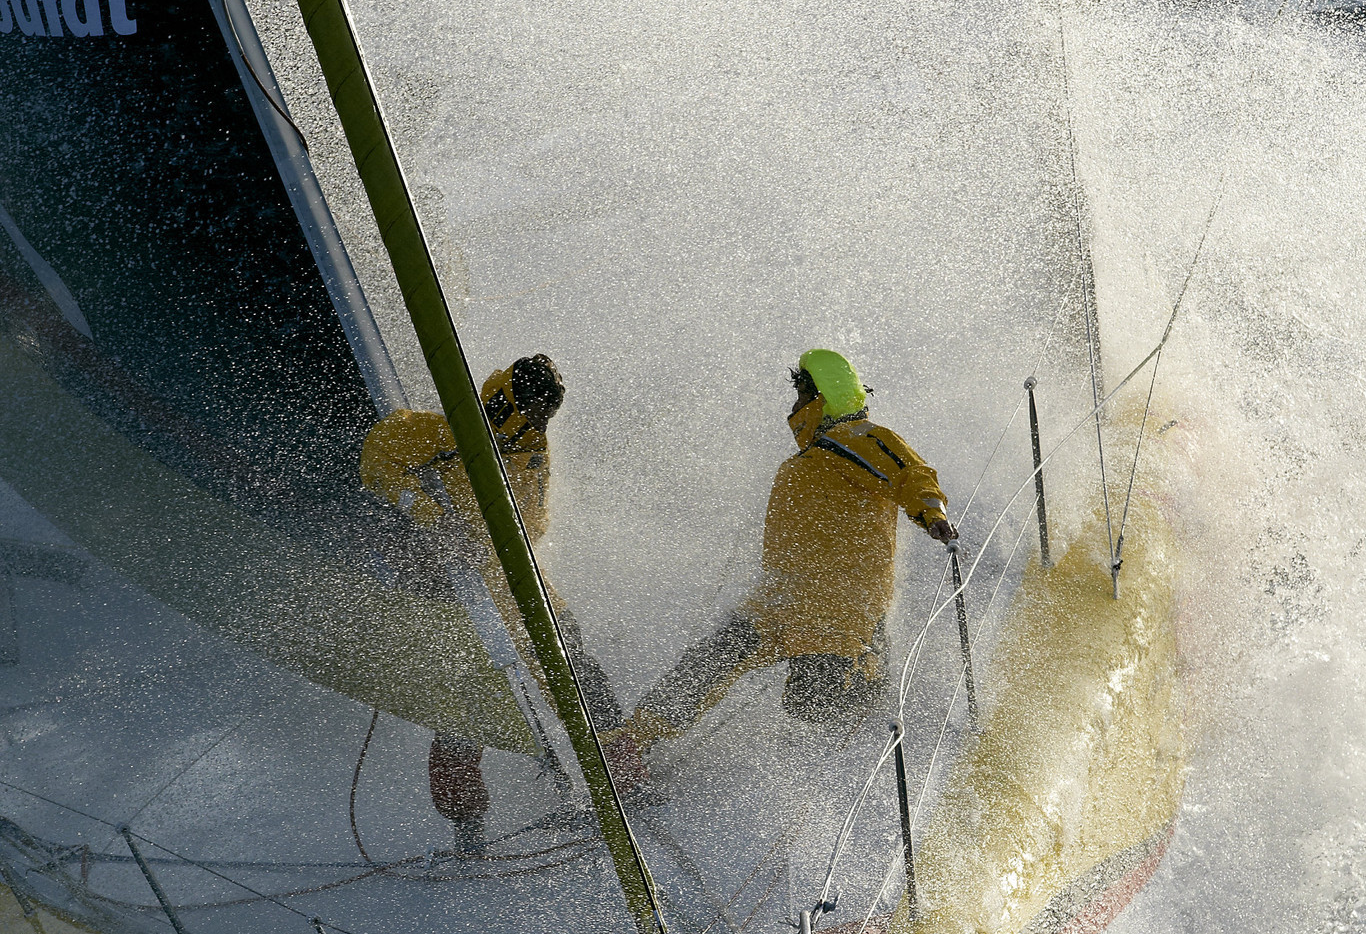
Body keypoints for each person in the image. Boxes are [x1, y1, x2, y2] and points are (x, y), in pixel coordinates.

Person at [610, 348, 955, 767]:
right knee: (711, 660)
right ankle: (630, 742)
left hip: (838, 612)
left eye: (799, 398)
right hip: (780, 601)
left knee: (812, 706)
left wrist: (931, 514)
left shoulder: (861, 438)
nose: (792, 410)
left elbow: (912, 474)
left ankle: (873, 672)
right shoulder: (807, 459)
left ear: (820, 400)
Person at [360, 353, 620, 852]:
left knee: (581, 677)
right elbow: (378, 459)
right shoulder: (448, 432)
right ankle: (468, 828)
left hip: (520, 591)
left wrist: (493, 539)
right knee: (462, 713)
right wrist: (431, 514)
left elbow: (537, 522)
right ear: (514, 398)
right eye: (538, 409)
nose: (543, 421)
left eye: (550, 413)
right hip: (460, 600)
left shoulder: (533, 456)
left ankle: (625, 781)